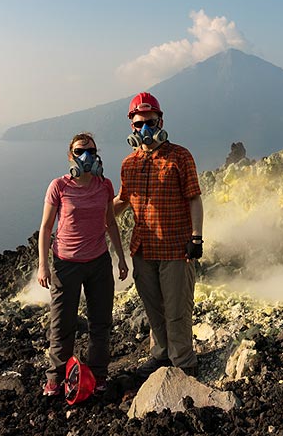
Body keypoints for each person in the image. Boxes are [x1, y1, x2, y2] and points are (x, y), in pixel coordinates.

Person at [113, 92, 204, 378]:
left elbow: (194, 199)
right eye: (139, 124)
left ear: (160, 120)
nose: (145, 129)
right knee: (153, 310)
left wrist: (197, 237)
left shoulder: (180, 156)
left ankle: (184, 363)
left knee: (177, 310)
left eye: (150, 122)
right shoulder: (129, 163)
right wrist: (86, 211)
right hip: (142, 250)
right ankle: (161, 355)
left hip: (176, 248)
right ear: (132, 127)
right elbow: (122, 201)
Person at [37, 133, 128, 397]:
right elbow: (45, 228)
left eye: (90, 150)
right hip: (66, 264)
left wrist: (120, 258)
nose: (85, 156)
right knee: (62, 324)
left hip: (99, 262)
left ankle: (98, 376)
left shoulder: (105, 185)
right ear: (71, 156)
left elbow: (111, 222)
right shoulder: (58, 186)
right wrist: (43, 266)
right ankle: (55, 380)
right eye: (79, 151)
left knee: (100, 323)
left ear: (97, 153)